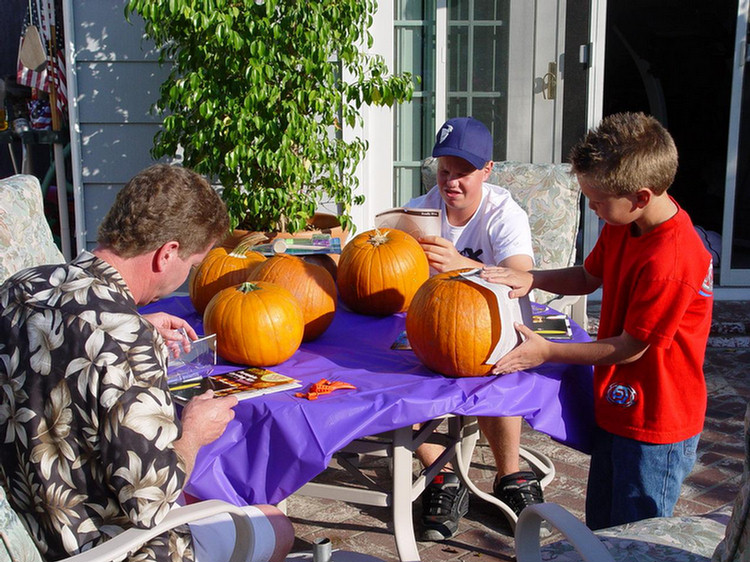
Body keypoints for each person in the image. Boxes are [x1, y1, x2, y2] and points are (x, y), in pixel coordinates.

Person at [0, 164, 295, 562]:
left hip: (32, 512)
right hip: (106, 546)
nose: (188, 276)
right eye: (192, 267)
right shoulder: (126, 339)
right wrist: (193, 433)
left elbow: (63, 338)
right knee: (276, 523)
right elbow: (151, 503)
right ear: (167, 253)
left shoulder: (20, 287)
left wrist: (135, 322)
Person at [481, 112, 714, 530]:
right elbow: (589, 276)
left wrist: (548, 351)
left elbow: (629, 347)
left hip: (657, 422)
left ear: (640, 197)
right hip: (619, 406)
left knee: (636, 535)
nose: (592, 208)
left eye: (598, 200)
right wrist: (531, 278)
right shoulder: (623, 223)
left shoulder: (673, 259)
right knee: (603, 528)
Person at [405, 116, 541, 541]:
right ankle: (442, 472)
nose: (451, 182)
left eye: (463, 172)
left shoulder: (503, 212)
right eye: (444, 170)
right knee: (385, 370)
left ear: (487, 170)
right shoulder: (419, 210)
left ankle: (510, 474)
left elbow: (521, 277)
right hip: (431, 321)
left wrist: (462, 265)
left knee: (497, 363)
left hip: (492, 318)